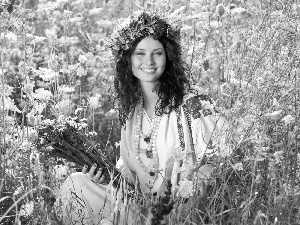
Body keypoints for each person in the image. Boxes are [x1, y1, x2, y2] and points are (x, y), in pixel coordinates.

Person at [57, 11, 228, 225]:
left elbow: (222, 158)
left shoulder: (194, 103)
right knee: (77, 183)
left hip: (178, 208)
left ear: (168, 57)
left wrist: (190, 187)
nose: (149, 61)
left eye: (157, 53)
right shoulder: (131, 112)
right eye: (140, 53)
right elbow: (128, 172)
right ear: (128, 59)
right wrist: (103, 179)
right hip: (138, 202)